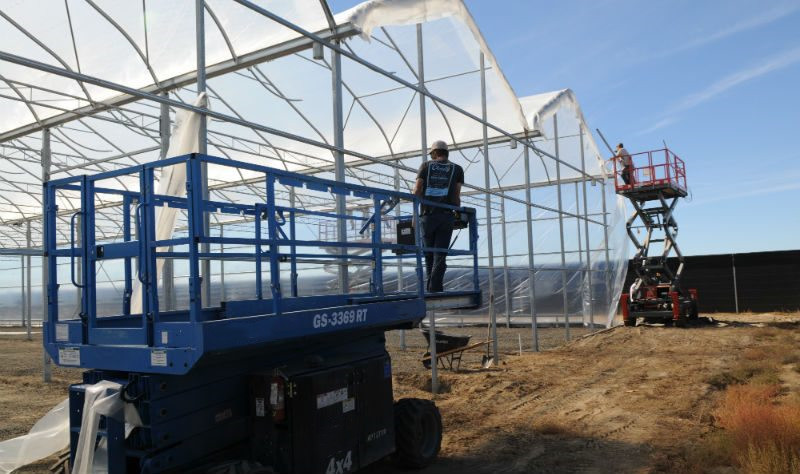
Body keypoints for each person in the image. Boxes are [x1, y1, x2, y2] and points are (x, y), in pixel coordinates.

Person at [413, 140, 464, 293]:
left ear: (434, 153)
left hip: (427, 216)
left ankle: (430, 287)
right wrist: (457, 212)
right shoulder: (457, 169)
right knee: (440, 254)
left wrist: (416, 206)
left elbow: (417, 189)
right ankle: (435, 287)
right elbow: (456, 194)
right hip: (446, 216)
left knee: (428, 253)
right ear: (446, 153)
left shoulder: (426, 166)